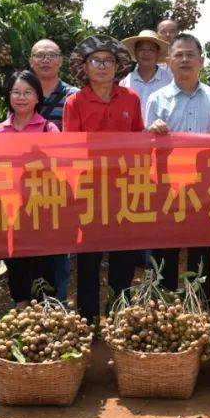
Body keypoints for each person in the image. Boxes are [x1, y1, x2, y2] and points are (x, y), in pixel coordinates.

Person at [63, 35, 143, 326]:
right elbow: (71, 149)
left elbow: (138, 139)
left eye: (108, 60)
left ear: (117, 65)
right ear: (85, 67)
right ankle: (88, 319)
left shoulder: (131, 99)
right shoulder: (75, 102)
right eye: (95, 60)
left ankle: (120, 315)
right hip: (89, 191)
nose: (102, 66)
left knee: (123, 255)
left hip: (123, 189)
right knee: (88, 258)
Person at [145, 33, 210, 304]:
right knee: (165, 249)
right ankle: (164, 305)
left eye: (190, 54)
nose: (184, 60)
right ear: (168, 62)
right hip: (166, 186)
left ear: (201, 61)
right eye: (178, 55)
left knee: (201, 250)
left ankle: (199, 306)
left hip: (203, 186)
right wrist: (153, 131)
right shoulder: (157, 99)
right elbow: (146, 145)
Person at [0, 70, 60, 306]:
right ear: (9, 96)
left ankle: (46, 310)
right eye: (16, 92)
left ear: (37, 97)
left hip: (41, 207)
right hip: (10, 209)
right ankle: (21, 307)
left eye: (27, 92)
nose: (21, 97)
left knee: (43, 261)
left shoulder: (48, 129)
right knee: (16, 260)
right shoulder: (0, 130)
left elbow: (59, 167)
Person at [28, 39, 77, 300]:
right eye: (40, 55)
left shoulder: (74, 96)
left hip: (62, 183)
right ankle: (29, 304)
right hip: (27, 185)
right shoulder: (22, 92)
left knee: (60, 245)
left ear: (60, 60)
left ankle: (57, 303)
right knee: (29, 242)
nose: (45, 60)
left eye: (51, 55)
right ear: (31, 61)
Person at [120, 30, 173, 121]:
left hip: (161, 134)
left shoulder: (169, 81)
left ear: (158, 53)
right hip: (132, 134)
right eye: (141, 49)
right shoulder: (124, 83)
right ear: (135, 53)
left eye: (151, 50)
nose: (146, 53)